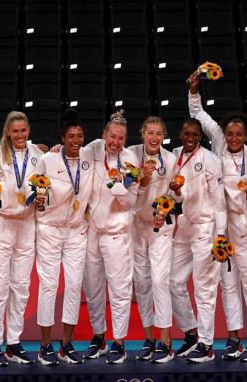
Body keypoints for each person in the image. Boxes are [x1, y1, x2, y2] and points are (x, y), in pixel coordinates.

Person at [187, 74, 247, 362]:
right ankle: (233, 338)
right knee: (228, 283)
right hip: (221, 227)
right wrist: (194, 89)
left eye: (239, 134)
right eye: (230, 133)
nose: (233, 138)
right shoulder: (218, 140)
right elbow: (198, 113)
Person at [34, 109, 95, 365]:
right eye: (71, 136)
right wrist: (38, 202)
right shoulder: (48, 160)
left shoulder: (90, 158)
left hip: (77, 231)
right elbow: (36, 193)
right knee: (48, 286)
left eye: (80, 136)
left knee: (73, 286)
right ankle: (45, 346)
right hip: (49, 229)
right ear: (62, 137)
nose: (76, 141)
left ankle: (66, 345)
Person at [0, 111, 44, 366]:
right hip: (1, 225)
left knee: (21, 288)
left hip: (26, 226)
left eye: (23, 130)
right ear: (8, 132)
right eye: (14, 131)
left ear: (28, 131)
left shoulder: (39, 156)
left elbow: (45, 184)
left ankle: (13, 342)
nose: (19, 135)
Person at [82, 111, 140, 364]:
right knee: (93, 289)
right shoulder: (93, 149)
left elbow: (131, 201)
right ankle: (98, 337)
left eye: (121, 138)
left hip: (117, 233)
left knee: (119, 289)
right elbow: (70, 156)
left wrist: (118, 186)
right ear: (104, 135)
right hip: (91, 231)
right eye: (112, 136)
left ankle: (119, 341)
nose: (115, 142)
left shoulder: (130, 162)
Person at [168, 118, 227, 363]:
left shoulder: (212, 161)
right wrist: (177, 192)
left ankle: (207, 344)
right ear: (180, 134)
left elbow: (219, 202)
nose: (190, 138)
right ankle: (191, 333)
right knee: (173, 281)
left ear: (200, 136)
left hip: (205, 226)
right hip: (184, 225)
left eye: (194, 134)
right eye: (185, 133)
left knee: (204, 288)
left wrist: (220, 238)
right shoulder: (174, 156)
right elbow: (175, 195)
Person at [127, 116, 180, 364]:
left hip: (161, 227)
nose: (154, 137)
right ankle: (149, 339)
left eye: (159, 133)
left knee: (160, 280)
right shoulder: (130, 155)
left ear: (164, 135)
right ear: (142, 133)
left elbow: (176, 195)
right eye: (150, 132)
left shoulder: (170, 160)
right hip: (137, 225)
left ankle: (166, 341)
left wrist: (165, 212)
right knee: (142, 282)